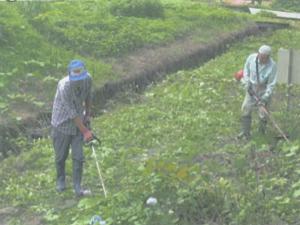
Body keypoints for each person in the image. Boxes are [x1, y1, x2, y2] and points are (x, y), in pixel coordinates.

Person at [51, 59, 93, 196]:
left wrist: (87, 114)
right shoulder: (64, 86)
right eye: (76, 78)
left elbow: (88, 96)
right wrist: (86, 131)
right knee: (61, 156)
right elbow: (71, 113)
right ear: (70, 75)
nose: (79, 80)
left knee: (78, 157)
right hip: (62, 123)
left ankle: (77, 187)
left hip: (78, 123)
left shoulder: (88, 79)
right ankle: (60, 181)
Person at [237, 45, 277, 140]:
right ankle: (245, 132)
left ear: (268, 57)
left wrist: (265, 97)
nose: (262, 59)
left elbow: (271, 84)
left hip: (263, 90)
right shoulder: (251, 58)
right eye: (260, 56)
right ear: (258, 54)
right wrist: (247, 82)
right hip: (252, 88)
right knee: (245, 108)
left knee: (263, 113)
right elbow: (246, 70)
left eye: (264, 57)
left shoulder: (272, 66)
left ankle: (261, 133)